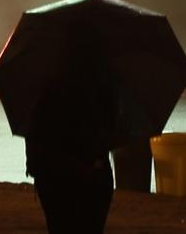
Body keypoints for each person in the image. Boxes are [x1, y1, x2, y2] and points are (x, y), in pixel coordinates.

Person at [24, 39, 117, 234]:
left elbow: (34, 134)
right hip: (91, 178)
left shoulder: (46, 89)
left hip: (52, 179)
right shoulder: (102, 88)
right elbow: (110, 132)